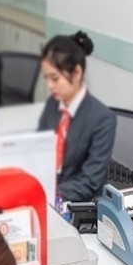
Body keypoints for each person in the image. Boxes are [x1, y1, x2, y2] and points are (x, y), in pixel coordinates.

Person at [37, 31, 116, 203]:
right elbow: (39, 150)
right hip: (46, 195)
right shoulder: (53, 104)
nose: (49, 85)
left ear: (77, 73)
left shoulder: (102, 119)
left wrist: (48, 194)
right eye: (46, 78)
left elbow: (89, 182)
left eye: (55, 78)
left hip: (75, 204)